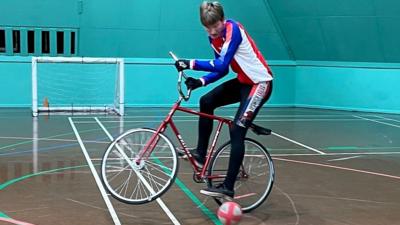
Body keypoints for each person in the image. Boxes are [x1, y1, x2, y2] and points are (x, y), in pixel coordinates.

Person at [174, 1, 273, 199]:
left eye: (215, 26)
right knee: (206, 101)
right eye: (207, 28)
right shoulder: (214, 38)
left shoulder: (233, 30)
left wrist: (190, 63)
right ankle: (200, 154)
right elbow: (222, 69)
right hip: (244, 82)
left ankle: (228, 186)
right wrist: (200, 81)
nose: (212, 31)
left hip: (260, 84)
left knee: (237, 129)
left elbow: (221, 63)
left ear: (222, 20)